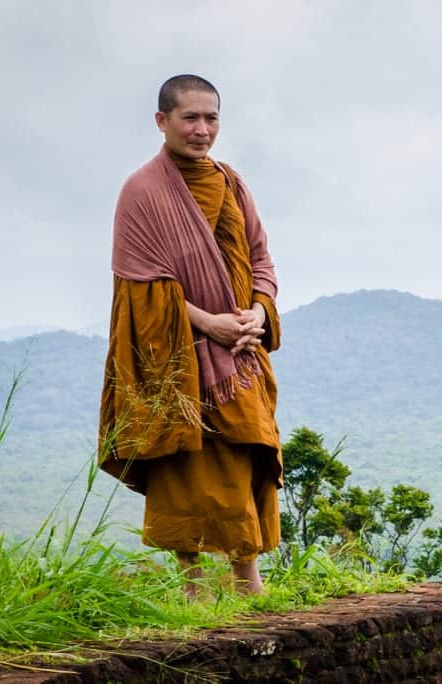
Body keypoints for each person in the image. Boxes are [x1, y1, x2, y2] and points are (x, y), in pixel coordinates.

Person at [98, 74, 282, 597]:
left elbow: (262, 259)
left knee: (247, 454)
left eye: (212, 118)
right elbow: (139, 289)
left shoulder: (231, 183)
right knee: (187, 468)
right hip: (180, 358)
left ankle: (248, 581)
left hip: (241, 355)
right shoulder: (142, 191)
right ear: (162, 121)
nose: (202, 130)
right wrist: (209, 323)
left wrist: (258, 312)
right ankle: (192, 586)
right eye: (190, 118)